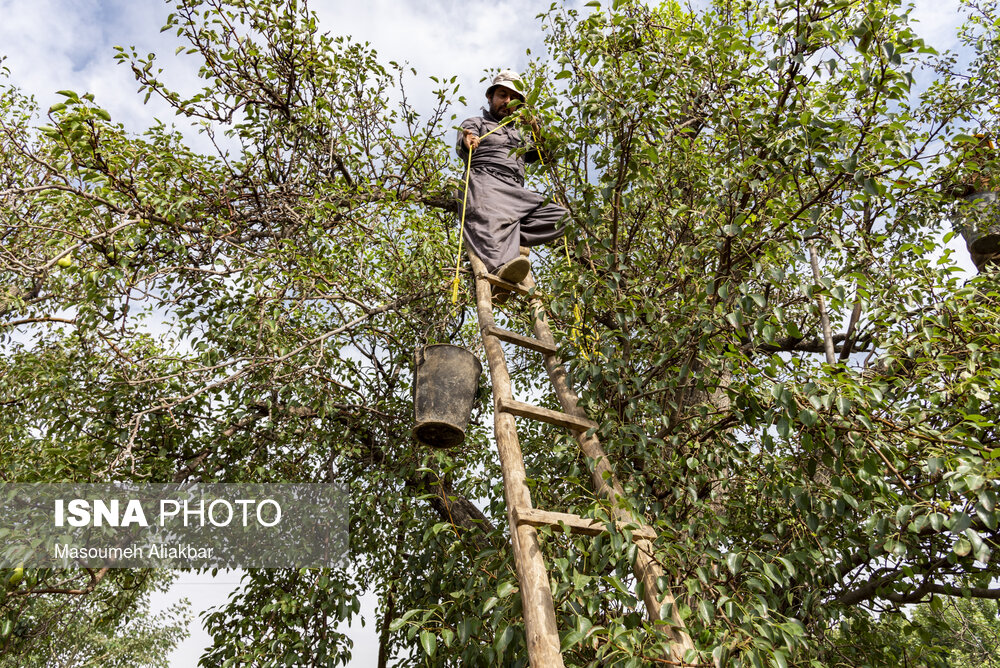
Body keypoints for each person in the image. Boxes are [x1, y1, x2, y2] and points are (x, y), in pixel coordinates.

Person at [456, 70, 566, 292]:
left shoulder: (523, 134)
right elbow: (464, 138)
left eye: (513, 98)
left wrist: (534, 125)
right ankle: (500, 273)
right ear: (490, 97)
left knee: (564, 218)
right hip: (485, 180)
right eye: (502, 95)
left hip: (515, 191)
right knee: (486, 221)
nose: (506, 102)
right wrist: (468, 141)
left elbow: (550, 154)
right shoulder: (478, 122)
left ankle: (510, 235)